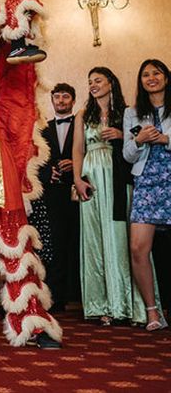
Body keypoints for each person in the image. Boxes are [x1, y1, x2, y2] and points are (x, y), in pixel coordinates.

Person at [73, 66, 146, 325]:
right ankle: (101, 304)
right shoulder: (83, 114)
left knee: (121, 237)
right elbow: (78, 150)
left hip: (118, 177)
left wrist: (120, 135)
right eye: (90, 81)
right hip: (92, 176)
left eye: (98, 80)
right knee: (95, 240)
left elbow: (139, 145)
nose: (93, 85)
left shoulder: (127, 113)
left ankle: (129, 305)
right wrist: (77, 180)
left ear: (111, 83)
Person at [123, 58, 171, 331]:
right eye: (145, 75)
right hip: (147, 183)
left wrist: (165, 139)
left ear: (166, 77)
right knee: (138, 248)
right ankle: (153, 313)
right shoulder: (133, 113)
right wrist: (139, 141)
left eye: (157, 73)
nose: (151, 78)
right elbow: (128, 155)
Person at [41, 83, 80, 312]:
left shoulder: (82, 125)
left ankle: (79, 294)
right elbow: (36, 161)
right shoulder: (43, 130)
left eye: (66, 96)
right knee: (55, 243)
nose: (62, 100)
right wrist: (49, 173)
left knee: (78, 241)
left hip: (81, 191)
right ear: (52, 101)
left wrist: (76, 165)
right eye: (57, 97)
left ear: (73, 100)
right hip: (54, 194)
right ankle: (56, 296)